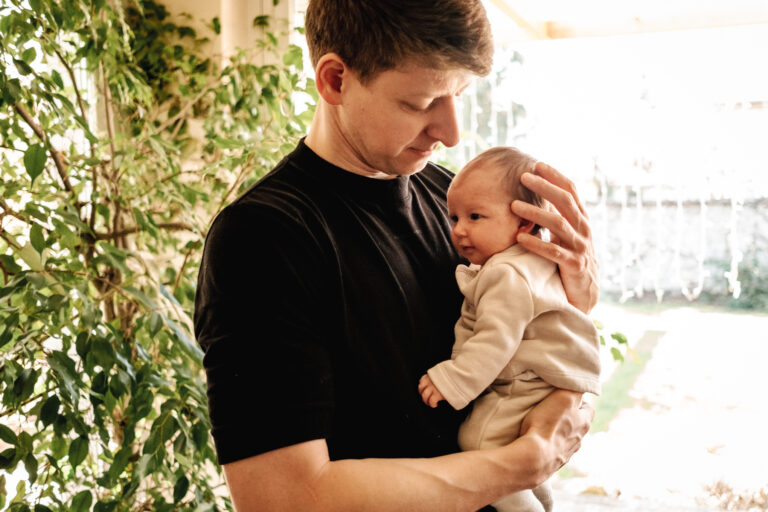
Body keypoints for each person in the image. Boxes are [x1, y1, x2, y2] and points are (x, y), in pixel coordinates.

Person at [194, 1, 599, 510]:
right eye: (420, 102)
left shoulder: (457, 202)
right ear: (336, 80)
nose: (451, 132)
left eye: (459, 96)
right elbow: (283, 497)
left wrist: (578, 289)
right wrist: (525, 463)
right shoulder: (263, 238)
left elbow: (536, 344)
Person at [418, 147, 602, 512]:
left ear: (524, 223)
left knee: (480, 444)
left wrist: (453, 380)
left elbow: (494, 340)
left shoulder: (505, 273)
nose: (459, 230)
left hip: (524, 380)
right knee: (526, 455)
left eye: (475, 216)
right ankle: (542, 500)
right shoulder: (535, 260)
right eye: (454, 217)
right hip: (550, 378)